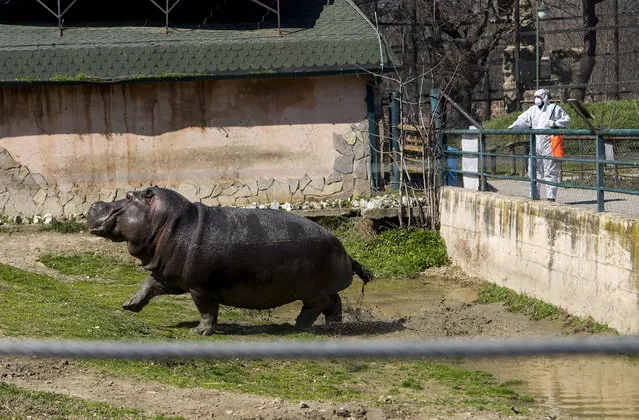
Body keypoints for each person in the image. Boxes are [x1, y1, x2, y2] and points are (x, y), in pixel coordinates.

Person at [508, 89, 571, 202]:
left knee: (549, 170)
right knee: (533, 169)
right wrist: (514, 126)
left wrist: (555, 123)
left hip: (548, 142)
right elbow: (522, 119)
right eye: (535, 97)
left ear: (545, 98)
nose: (536, 99)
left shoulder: (554, 108)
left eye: (539, 97)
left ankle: (551, 197)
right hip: (535, 141)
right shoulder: (532, 110)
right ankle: (533, 194)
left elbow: (567, 119)